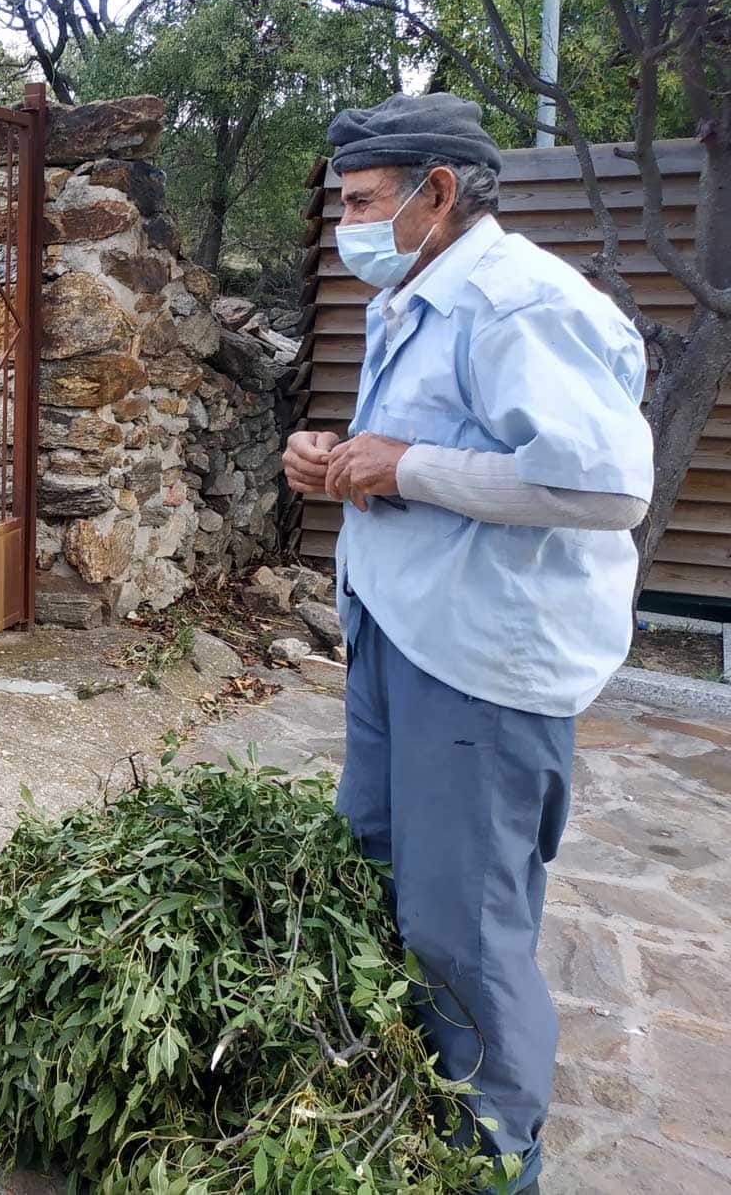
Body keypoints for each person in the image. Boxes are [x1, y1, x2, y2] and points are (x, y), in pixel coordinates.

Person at [283, 92, 654, 1194]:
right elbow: (440, 449)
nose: (347, 227)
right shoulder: (425, 292)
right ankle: (407, 1095)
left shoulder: (517, 303)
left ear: (436, 192)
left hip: (483, 667)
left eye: (362, 203)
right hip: (407, 634)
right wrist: (345, 459)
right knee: (387, 873)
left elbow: (605, 487)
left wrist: (400, 467)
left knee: (468, 927)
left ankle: (491, 1161)